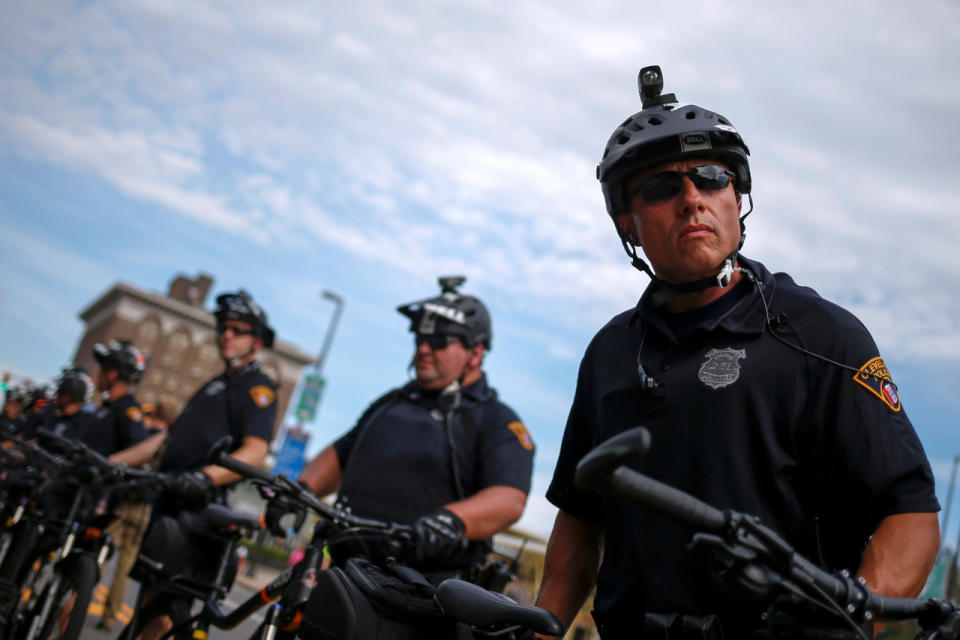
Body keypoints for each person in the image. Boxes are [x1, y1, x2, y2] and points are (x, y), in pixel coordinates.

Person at [535, 65, 939, 639]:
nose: (692, 198)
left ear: (738, 196)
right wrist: (539, 628)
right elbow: (580, 523)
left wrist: (851, 620)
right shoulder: (608, 353)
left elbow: (912, 513)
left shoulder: (821, 335)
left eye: (710, 177)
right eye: (660, 186)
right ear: (628, 221)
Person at [299, 276, 535, 578]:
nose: (423, 348)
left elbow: (509, 498)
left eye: (439, 340)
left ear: (476, 354)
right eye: (419, 339)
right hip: (346, 571)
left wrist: (453, 520)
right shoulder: (392, 401)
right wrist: (299, 490)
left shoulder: (496, 420)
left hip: (423, 591)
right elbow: (341, 455)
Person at [109, 289, 278, 639]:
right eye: (223, 328)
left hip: (199, 511)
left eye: (237, 330)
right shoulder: (215, 384)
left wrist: (204, 477)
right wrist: (114, 462)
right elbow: (166, 441)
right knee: (146, 607)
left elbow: (255, 452)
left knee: (165, 616)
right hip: (168, 501)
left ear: (256, 342)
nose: (226, 335)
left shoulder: (257, 387)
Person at [89, 340, 152, 630]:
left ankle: (83, 603)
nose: (99, 375)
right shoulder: (108, 409)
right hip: (112, 499)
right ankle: (108, 613)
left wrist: (112, 469)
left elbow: (138, 449)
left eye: (103, 369)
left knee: (95, 559)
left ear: (112, 374)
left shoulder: (128, 410)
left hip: (121, 501)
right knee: (113, 561)